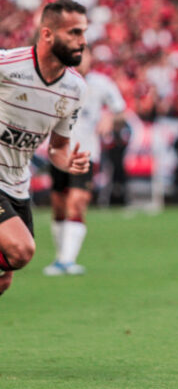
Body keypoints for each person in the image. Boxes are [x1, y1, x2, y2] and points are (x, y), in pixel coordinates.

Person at [0, 0, 90, 295]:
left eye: (83, 33)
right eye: (73, 33)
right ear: (47, 34)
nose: (82, 41)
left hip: (17, 185)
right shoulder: (9, 66)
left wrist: (68, 162)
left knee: (8, 273)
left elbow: (57, 148)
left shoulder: (75, 89)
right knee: (22, 249)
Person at [43, 47, 126, 276]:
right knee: (59, 204)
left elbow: (121, 111)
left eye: (84, 54)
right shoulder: (55, 81)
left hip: (86, 152)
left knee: (77, 201)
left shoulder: (102, 83)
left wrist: (110, 116)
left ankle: (67, 261)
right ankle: (61, 258)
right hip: (58, 151)